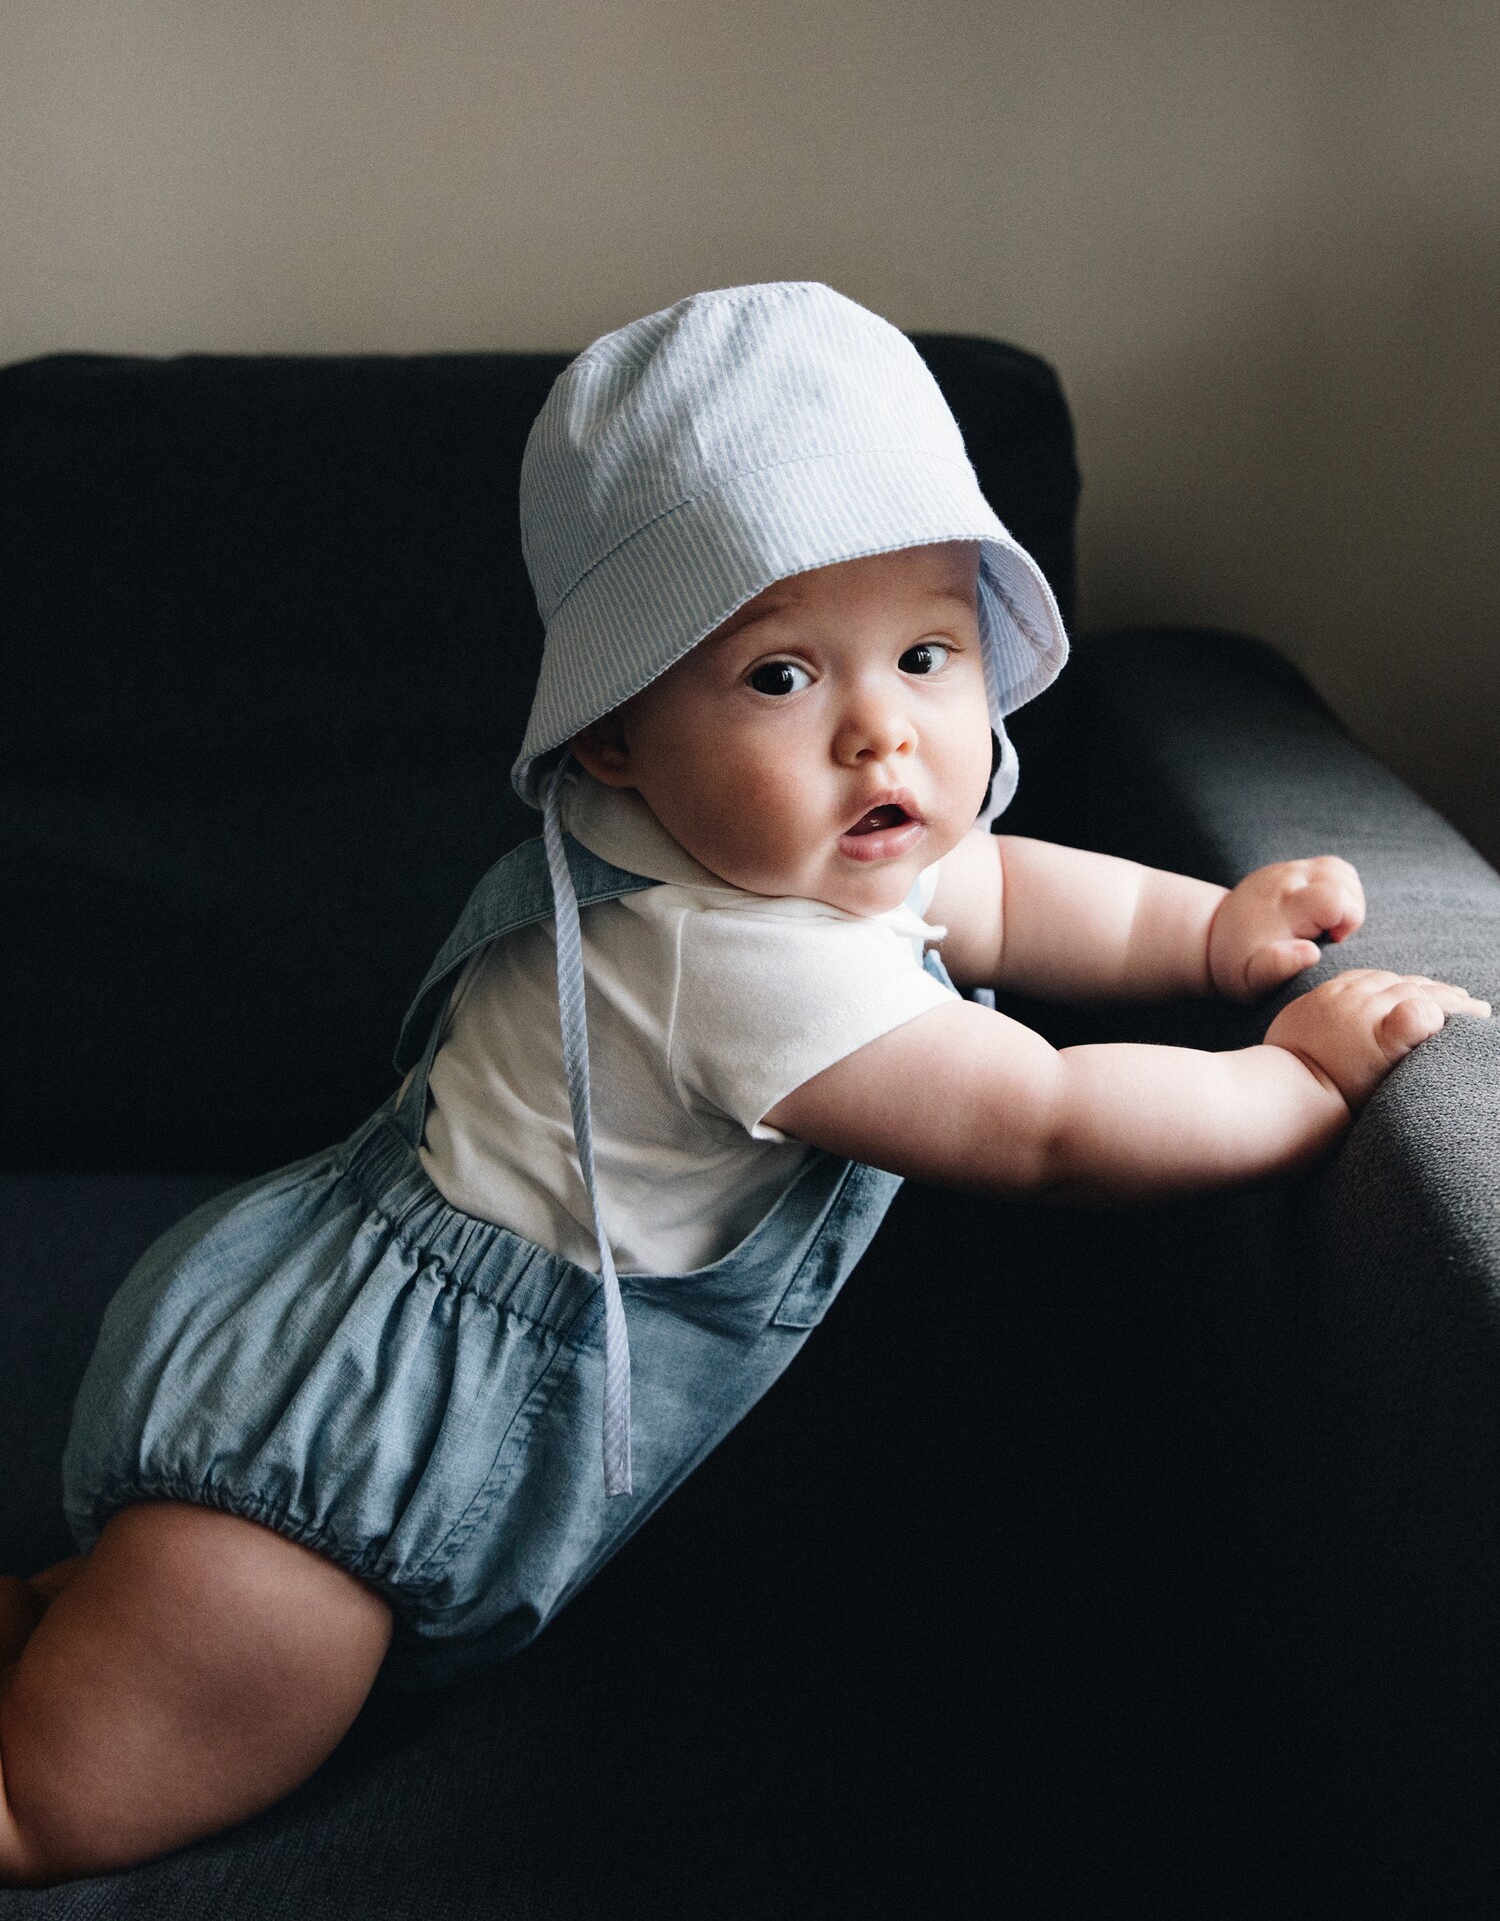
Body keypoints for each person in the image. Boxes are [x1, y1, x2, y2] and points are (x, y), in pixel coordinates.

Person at [0, 282, 1486, 1886]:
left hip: (329, 1309)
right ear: (618, 738)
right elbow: (1046, 1124)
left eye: (926, 654)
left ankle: (65, 1612)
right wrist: (1296, 1082)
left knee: (114, 1622)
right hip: (367, 1442)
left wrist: (1210, 934)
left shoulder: (793, 845)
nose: (881, 738)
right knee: (98, 1792)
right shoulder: (734, 964)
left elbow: (997, 891)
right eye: (781, 677)